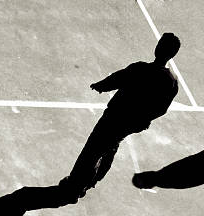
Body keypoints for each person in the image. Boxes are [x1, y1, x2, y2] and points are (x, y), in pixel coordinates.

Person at [60, 33, 180, 200]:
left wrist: (100, 86)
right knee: (110, 146)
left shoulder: (140, 68)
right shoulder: (171, 82)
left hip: (114, 116)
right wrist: (144, 119)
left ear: (158, 48)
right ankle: (92, 181)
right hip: (131, 123)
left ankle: (75, 185)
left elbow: (117, 79)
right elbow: (161, 109)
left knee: (92, 150)